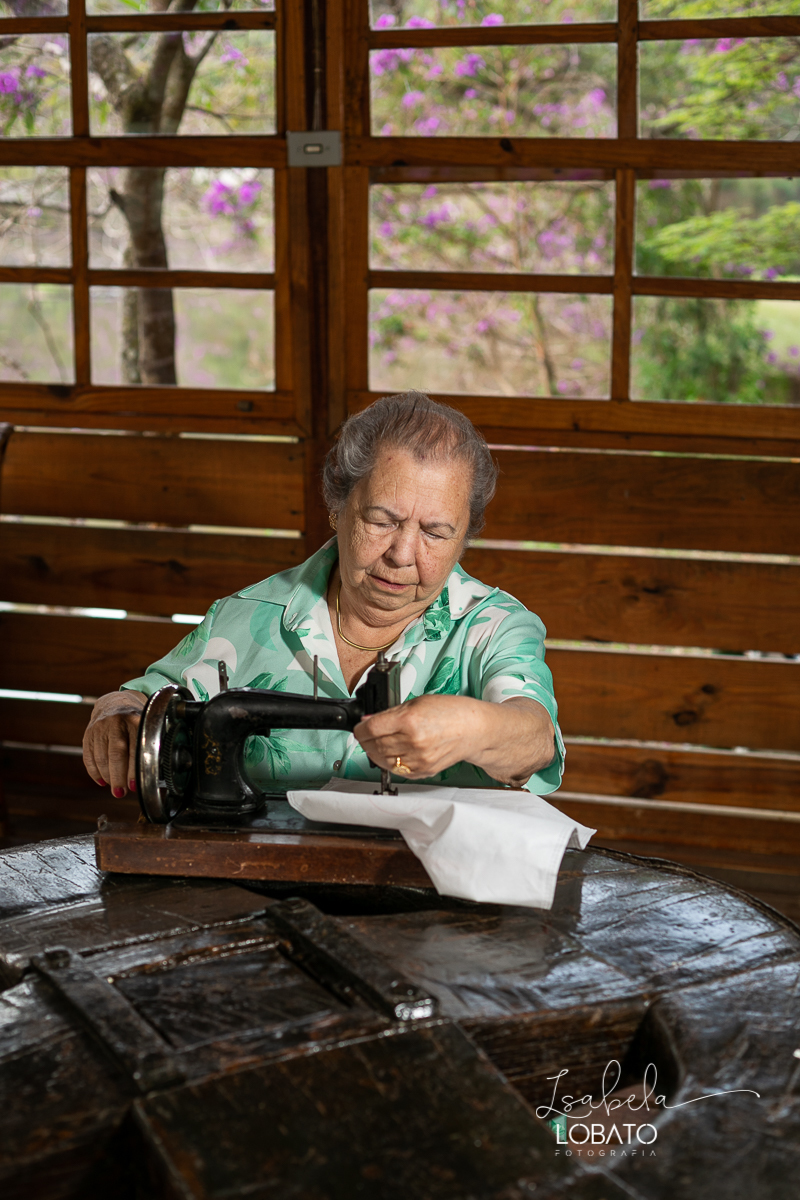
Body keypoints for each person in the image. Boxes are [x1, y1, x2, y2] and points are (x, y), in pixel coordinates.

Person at [83, 391, 564, 799]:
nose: (402, 554)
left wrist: (473, 729)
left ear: (464, 538)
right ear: (338, 506)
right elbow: (146, 703)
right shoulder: (247, 617)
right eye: (381, 521)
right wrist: (116, 712)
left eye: (435, 533)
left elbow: (536, 739)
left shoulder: (494, 629)